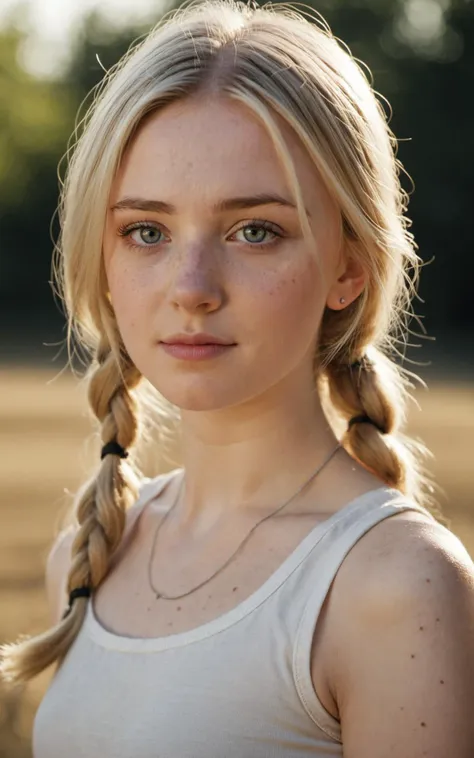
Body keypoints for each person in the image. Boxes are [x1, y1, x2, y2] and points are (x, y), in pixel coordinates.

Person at [1, 0, 473, 755]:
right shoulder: (88, 557)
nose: (191, 287)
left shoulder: (397, 586)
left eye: (255, 231)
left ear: (349, 267)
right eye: (146, 232)